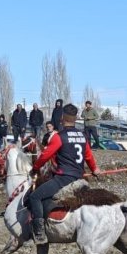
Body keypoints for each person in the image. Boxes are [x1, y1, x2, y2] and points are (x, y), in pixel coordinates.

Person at [27, 103, 99, 244]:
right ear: (76, 118)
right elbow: (88, 155)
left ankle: (39, 233)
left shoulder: (59, 136)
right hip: (79, 177)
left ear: (62, 118)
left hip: (63, 179)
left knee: (35, 197)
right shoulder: (83, 135)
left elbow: (45, 155)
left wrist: (35, 168)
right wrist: (94, 169)